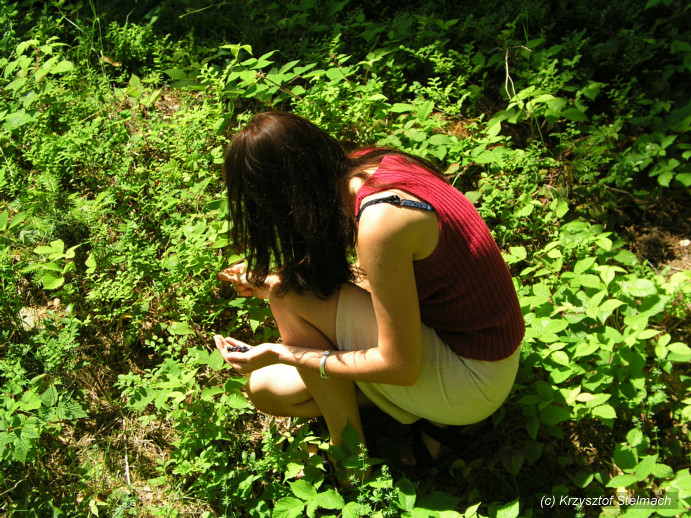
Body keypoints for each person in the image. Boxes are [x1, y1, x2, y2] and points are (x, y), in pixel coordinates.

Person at [214, 111, 524, 470]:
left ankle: (349, 454)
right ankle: (402, 409)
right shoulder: (374, 165)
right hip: (472, 342)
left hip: (476, 376)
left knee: (290, 297)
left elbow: (401, 366)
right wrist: (273, 283)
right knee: (266, 389)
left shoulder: (381, 221)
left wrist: (284, 353)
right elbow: (387, 279)